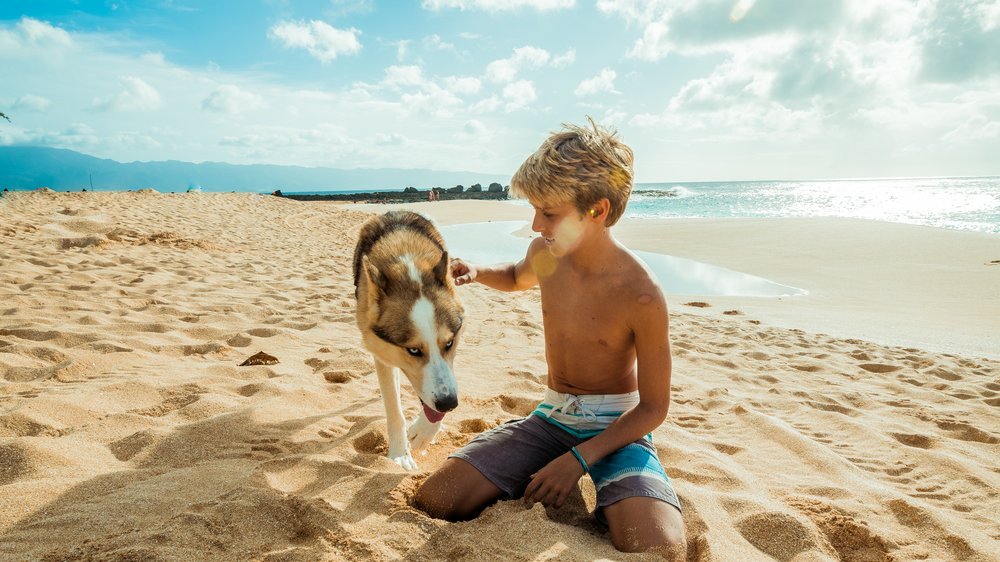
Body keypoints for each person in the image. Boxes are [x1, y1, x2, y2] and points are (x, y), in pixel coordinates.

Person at [414, 118, 685, 558]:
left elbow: (654, 408)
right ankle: (526, 463)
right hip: (552, 418)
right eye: (535, 210)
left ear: (596, 211)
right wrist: (480, 271)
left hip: (618, 428)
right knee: (437, 500)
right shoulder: (546, 254)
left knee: (659, 547)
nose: (536, 224)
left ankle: (615, 489)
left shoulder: (640, 293)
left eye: (550, 213)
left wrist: (578, 460)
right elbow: (518, 277)